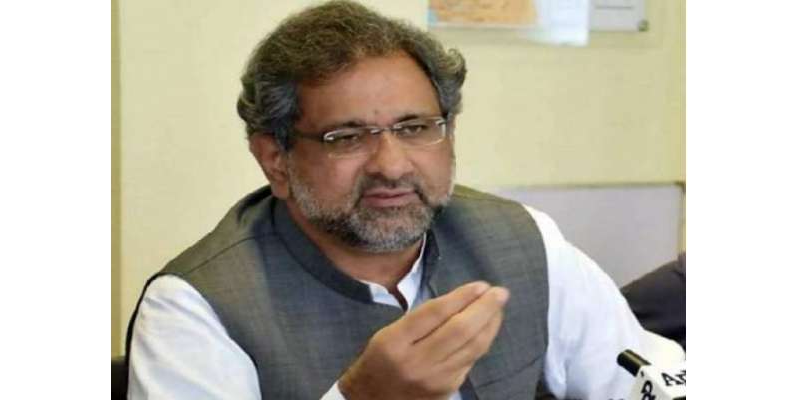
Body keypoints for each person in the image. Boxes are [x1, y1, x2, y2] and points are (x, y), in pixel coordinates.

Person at [126, 1, 683, 399]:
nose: (392, 165)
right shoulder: (195, 307)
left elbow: (644, 379)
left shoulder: (522, 240)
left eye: (415, 128)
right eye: (346, 137)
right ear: (275, 159)